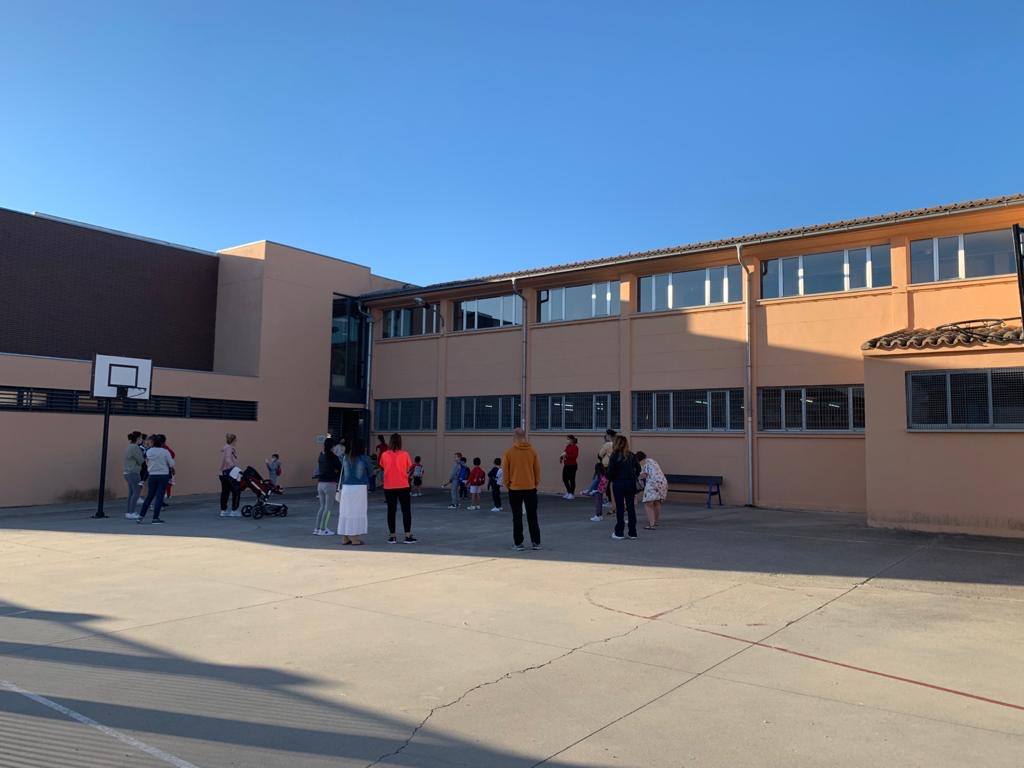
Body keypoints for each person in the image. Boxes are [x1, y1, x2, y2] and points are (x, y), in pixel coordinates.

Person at [502, 428, 542, 551]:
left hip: (515, 488)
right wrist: (534, 483)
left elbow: (505, 472)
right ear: (525, 436)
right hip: (530, 488)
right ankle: (536, 542)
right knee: (532, 515)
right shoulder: (532, 451)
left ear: (514, 436)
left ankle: (518, 543)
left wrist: (508, 484)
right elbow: (537, 470)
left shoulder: (509, 452)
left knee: (517, 516)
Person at [379, 433, 417, 543]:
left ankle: (392, 536)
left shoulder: (385, 455)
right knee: (406, 510)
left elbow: (383, 466)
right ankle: (407, 535)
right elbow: (408, 468)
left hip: (389, 486)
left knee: (391, 511)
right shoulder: (405, 454)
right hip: (403, 485)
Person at [337, 437, 371, 545]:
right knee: (356, 512)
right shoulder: (364, 458)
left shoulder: (345, 458)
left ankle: (345, 537)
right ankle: (354, 538)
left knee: (345, 512)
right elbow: (370, 472)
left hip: (346, 488)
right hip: (359, 488)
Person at [606, 435, 639, 540]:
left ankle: (619, 532)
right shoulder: (631, 455)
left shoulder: (614, 455)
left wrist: (613, 478)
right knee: (631, 508)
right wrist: (633, 477)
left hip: (619, 484)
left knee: (620, 508)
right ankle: (632, 532)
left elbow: (610, 472)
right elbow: (638, 468)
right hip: (630, 483)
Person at [137, 434, 174, 524]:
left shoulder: (149, 452)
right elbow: (171, 463)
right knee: (159, 497)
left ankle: (141, 516)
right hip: (163, 475)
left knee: (149, 496)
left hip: (152, 475)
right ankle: (155, 518)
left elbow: (146, 462)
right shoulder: (165, 452)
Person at [314, 438, 342, 535]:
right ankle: (323, 529)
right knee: (328, 508)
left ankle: (317, 529)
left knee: (322, 507)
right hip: (330, 484)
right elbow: (340, 468)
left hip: (320, 483)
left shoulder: (321, 455)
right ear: (332, 446)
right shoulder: (333, 457)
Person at [635, 451, 668, 530]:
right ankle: (655, 522)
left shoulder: (644, 464)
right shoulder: (652, 461)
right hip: (662, 483)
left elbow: (644, 475)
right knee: (657, 502)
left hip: (653, 484)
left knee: (648, 504)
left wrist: (636, 477)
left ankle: (651, 524)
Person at [219, 433, 242, 518]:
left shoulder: (225, 448)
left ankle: (223, 511)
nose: (236, 441)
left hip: (222, 473)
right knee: (236, 491)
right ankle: (234, 511)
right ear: (233, 440)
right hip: (230, 473)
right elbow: (228, 459)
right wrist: (234, 468)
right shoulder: (229, 448)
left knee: (225, 492)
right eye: (236, 440)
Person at [123, 431, 145, 519]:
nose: (142, 440)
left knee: (131, 493)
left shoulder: (129, 447)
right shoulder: (135, 447)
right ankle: (131, 512)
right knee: (136, 493)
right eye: (141, 438)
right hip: (134, 472)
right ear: (138, 438)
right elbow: (141, 460)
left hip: (127, 472)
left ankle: (129, 512)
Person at [560, 435, 579, 500]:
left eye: (568, 439)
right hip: (566, 465)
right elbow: (564, 452)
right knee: (564, 478)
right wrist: (562, 456)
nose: (567, 440)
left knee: (572, 479)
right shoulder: (568, 446)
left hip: (572, 465)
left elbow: (574, 456)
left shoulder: (575, 447)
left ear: (572, 440)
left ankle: (572, 494)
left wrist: (566, 455)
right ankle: (568, 491)